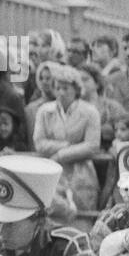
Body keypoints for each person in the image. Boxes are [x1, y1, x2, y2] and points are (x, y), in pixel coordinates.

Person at [33, 64, 101, 218]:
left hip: (81, 175)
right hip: (52, 173)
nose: (61, 93)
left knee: (82, 219)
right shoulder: (44, 111)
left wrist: (61, 155)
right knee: (51, 219)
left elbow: (92, 145)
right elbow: (39, 142)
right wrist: (66, 146)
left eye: (66, 88)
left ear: (76, 89)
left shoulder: (90, 112)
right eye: (58, 88)